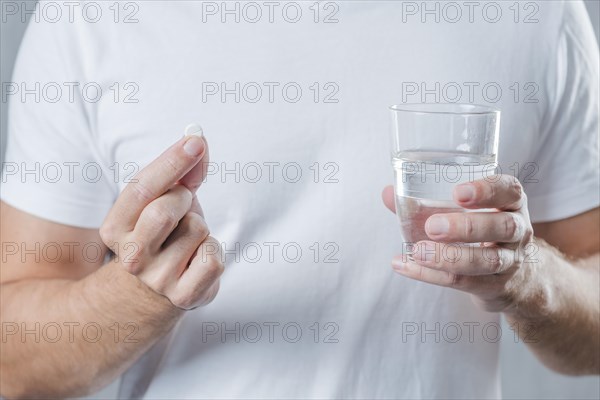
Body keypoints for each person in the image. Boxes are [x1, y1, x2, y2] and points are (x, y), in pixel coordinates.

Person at [1, 1, 598, 398]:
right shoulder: (90, 16)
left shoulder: (537, 13)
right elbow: (11, 357)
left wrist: (529, 277)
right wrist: (137, 294)